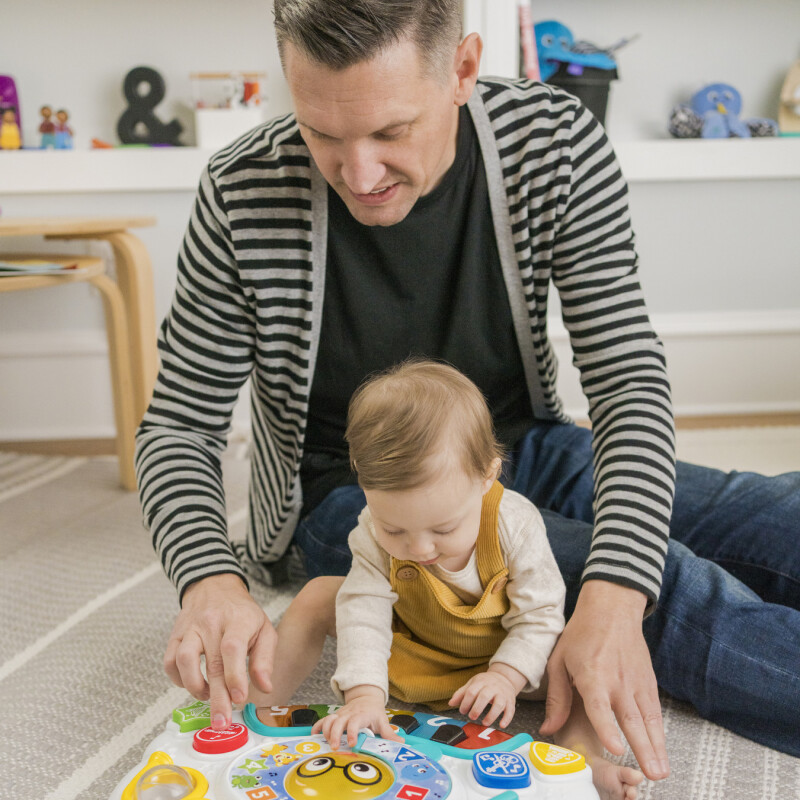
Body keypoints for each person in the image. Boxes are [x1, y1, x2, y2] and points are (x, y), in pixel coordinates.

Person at [135, 0, 800, 784]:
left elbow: (625, 378)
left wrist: (619, 599)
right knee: (673, 589)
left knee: (760, 521)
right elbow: (179, 426)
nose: (358, 174)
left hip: (516, 445)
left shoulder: (550, 140)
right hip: (356, 497)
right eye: (320, 132)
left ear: (461, 69)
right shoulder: (241, 186)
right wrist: (210, 580)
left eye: (390, 132)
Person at [252, 359, 644, 800]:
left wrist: (506, 676)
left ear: (487, 476)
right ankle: (252, 712)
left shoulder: (513, 524)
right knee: (319, 594)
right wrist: (363, 697)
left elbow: (540, 615)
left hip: (502, 661)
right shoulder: (368, 529)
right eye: (395, 530)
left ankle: (580, 760)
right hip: (415, 652)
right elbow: (364, 613)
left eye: (443, 530)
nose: (419, 549)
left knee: (582, 657)